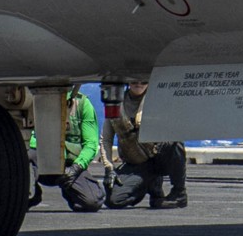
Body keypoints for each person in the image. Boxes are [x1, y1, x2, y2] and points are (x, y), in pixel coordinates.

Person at [103, 80, 188, 209]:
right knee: (114, 201)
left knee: (176, 142)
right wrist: (109, 169)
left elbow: (174, 127)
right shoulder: (115, 104)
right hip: (136, 163)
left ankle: (179, 193)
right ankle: (149, 184)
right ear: (127, 82)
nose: (139, 83)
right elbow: (106, 139)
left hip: (157, 157)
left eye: (144, 81)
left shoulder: (158, 101)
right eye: (134, 80)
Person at [59, 86, 105, 212]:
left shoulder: (83, 104)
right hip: (43, 160)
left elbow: (90, 144)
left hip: (69, 165)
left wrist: (76, 168)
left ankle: (70, 190)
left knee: (93, 201)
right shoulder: (37, 101)